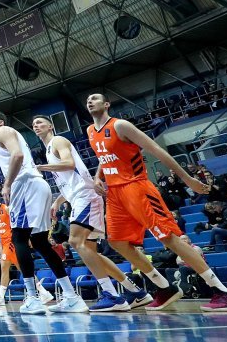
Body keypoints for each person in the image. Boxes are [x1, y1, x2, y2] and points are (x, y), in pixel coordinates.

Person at [86, 92, 227, 311]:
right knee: (117, 242)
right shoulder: (91, 131)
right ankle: (164, 287)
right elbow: (104, 157)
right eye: (88, 100)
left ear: (107, 104)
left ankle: (222, 291)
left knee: (168, 238)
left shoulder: (121, 126)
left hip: (137, 187)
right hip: (114, 193)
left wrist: (188, 179)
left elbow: (157, 150)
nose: (90, 101)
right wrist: (96, 177)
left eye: (95, 98)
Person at [33, 115, 151, 312]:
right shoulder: (47, 150)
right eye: (34, 124)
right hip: (77, 197)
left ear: (50, 125)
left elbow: (69, 164)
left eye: (40, 122)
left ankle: (113, 296)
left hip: (85, 196)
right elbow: (69, 180)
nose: (36, 125)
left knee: (75, 242)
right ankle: (136, 292)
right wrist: (57, 202)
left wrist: (40, 168)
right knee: (90, 252)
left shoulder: (58, 141)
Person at [0, 111, 84, 314]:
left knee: (19, 238)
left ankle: (33, 298)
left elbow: (17, 155)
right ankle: (72, 297)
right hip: (37, 185)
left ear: (0, 121)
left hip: (25, 185)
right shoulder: (9, 134)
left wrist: (7, 184)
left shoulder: (3, 131)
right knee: (40, 243)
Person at [0, 189, 53, 306]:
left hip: (12, 240)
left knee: (4, 266)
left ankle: (0, 296)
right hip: (4, 242)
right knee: (23, 269)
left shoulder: (6, 208)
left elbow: (17, 223)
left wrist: (26, 237)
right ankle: (43, 292)